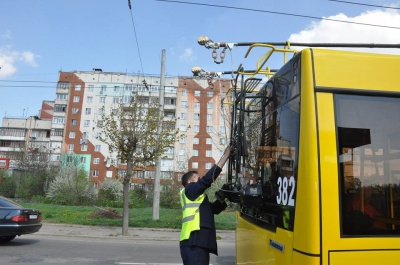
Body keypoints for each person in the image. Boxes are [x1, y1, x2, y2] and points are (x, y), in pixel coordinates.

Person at [179, 145, 232, 265]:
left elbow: (212, 210)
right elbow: (206, 181)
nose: (200, 180)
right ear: (189, 181)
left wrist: (222, 198)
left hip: (198, 242)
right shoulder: (189, 190)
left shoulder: (196, 197)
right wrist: (225, 157)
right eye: (197, 178)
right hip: (193, 242)